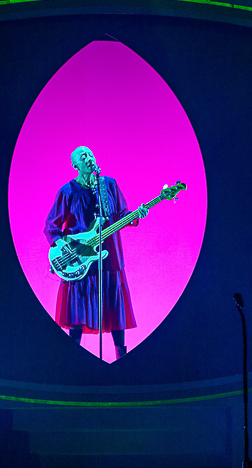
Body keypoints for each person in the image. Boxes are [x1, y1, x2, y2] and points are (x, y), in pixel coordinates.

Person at [44, 146, 148, 360]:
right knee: (78, 309)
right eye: (83, 157)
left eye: (90, 154)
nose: (89, 158)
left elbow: (121, 214)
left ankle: (121, 359)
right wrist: (62, 245)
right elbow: (51, 226)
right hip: (79, 256)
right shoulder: (68, 191)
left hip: (108, 254)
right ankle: (73, 362)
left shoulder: (108, 184)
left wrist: (136, 215)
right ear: (75, 165)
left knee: (114, 304)